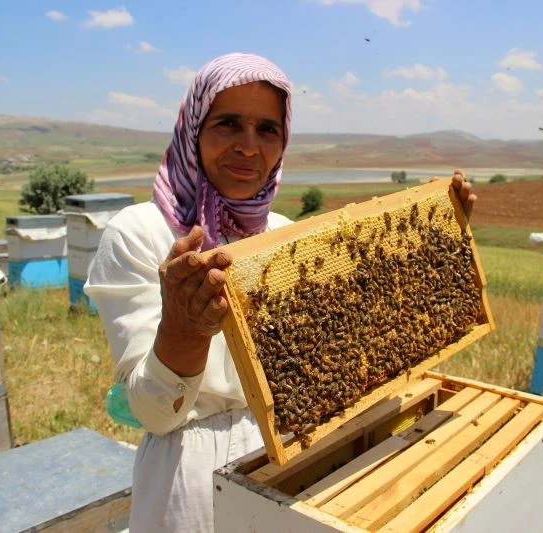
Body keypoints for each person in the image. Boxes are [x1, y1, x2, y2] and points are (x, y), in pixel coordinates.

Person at [85, 52, 476, 532]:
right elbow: (153, 413)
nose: (249, 147)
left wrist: (434, 251)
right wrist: (184, 331)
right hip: (189, 479)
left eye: (267, 130)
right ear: (193, 129)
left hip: (296, 458)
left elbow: (349, 353)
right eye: (228, 124)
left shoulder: (286, 234)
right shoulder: (140, 233)